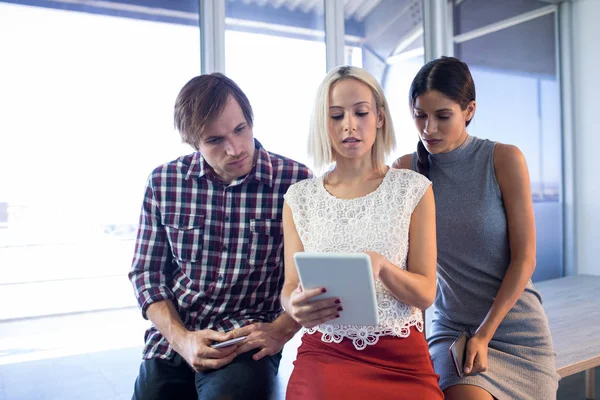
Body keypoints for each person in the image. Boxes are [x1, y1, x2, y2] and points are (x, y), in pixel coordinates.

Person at [128, 72, 312, 400]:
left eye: (240, 129)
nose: (235, 148)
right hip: (174, 338)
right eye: (214, 140)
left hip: (246, 341)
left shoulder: (296, 183)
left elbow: (312, 280)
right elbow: (147, 274)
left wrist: (281, 331)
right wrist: (182, 339)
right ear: (193, 143)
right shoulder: (164, 182)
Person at [393, 56, 560, 400]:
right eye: (420, 115)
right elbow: (403, 262)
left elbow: (525, 260)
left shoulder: (503, 159)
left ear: (469, 110)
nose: (429, 129)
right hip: (453, 330)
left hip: (516, 330)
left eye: (443, 116)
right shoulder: (406, 171)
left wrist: (485, 334)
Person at [281, 65, 444, 399]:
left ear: (380, 117)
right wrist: (293, 306)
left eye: (361, 112)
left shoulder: (413, 189)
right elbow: (289, 286)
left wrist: (382, 266)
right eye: (336, 116)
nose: (349, 125)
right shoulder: (299, 198)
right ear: (323, 124)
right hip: (325, 354)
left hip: (400, 358)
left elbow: (427, 293)